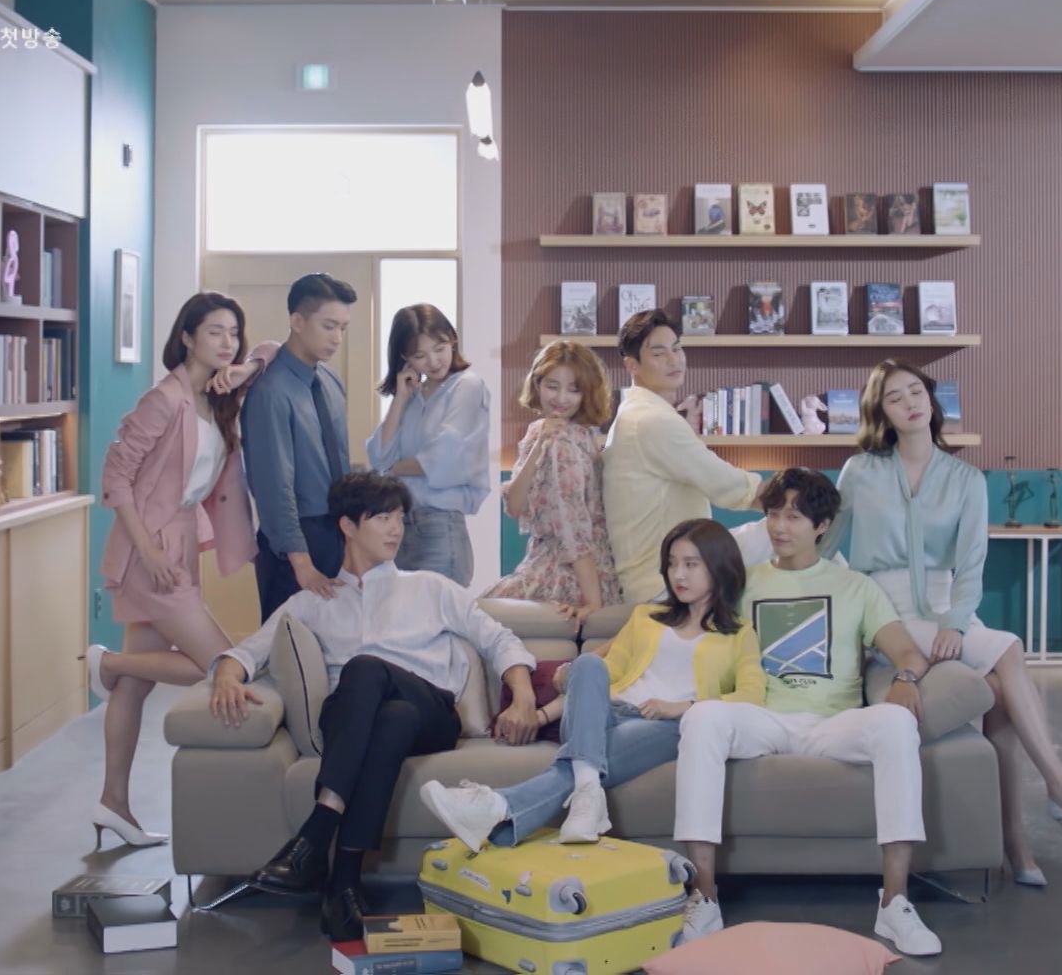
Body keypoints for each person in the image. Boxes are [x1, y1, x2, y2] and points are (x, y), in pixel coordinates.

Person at [824, 359, 1062, 888]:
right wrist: (833, 606)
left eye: (916, 391)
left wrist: (956, 624)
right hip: (886, 613)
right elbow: (826, 543)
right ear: (881, 412)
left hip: (948, 610)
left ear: (931, 399)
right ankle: (1060, 787)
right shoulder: (860, 472)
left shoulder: (965, 479)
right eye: (895, 397)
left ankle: (1015, 842)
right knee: (1009, 649)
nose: (910, 403)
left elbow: (971, 564)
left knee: (999, 697)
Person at [207, 472, 542, 943]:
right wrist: (226, 675)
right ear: (347, 525)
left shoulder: (430, 587)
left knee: (367, 669)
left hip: (431, 713)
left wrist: (523, 696)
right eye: (382, 518)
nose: (396, 529)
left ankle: (315, 835)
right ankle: (343, 886)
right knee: (390, 717)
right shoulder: (312, 602)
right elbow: (248, 652)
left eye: (400, 518)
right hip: (361, 722)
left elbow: (499, 639)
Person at [673, 468, 943, 955]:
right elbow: (673, 623)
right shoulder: (742, 584)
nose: (779, 527)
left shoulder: (856, 587)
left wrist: (904, 680)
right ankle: (704, 896)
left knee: (897, 722)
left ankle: (895, 903)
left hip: (834, 723)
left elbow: (907, 653)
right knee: (702, 717)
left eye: (794, 517)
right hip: (762, 717)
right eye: (774, 514)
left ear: (822, 525)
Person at [419, 519, 761, 852]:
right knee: (587, 664)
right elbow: (607, 672)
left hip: (668, 725)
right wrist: (545, 711)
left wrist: (681, 708)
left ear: (718, 566)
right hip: (602, 715)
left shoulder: (738, 633)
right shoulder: (646, 617)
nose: (678, 575)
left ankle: (498, 808)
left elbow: (752, 696)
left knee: (591, 749)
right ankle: (586, 793)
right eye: (672, 564)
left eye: (690, 564)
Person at [85, 292, 276, 848]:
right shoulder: (164, 399)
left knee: (136, 685)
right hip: (152, 552)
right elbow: (115, 476)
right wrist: (146, 550)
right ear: (187, 337)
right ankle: (107, 661)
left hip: (180, 543)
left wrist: (243, 368)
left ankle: (112, 804)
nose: (227, 342)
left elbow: (272, 349)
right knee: (222, 664)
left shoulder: (218, 396)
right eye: (214, 332)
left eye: (233, 332)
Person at [602, 309, 762, 602]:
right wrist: (798, 502)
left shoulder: (638, 412)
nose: (674, 360)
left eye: (677, 348)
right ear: (632, 365)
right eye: (659, 353)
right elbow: (730, 486)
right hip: (662, 583)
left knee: (793, 531)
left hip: (667, 573)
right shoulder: (651, 420)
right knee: (792, 529)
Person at [242, 272, 357, 620]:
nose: (337, 338)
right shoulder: (270, 391)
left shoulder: (330, 381)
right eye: (328, 326)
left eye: (343, 328)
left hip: (336, 532)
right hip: (295, 542)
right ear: (297, 321)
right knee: (289, 644)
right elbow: (273, 486)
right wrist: (301, 562)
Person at [484, 340, 623, 621]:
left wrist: (593, 603)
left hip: (570, 573)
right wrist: (539, 446)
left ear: (587, 393)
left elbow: (575, 528)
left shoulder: (568, 440)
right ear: (537, 384)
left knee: (475, 615)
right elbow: (514, 506)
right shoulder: (540, 431)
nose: (561, 398)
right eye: (552, 386)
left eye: (574, 389)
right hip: (544, 562)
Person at [365, 304, 490, 586]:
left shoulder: (467, 386)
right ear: (405, 358)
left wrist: (393, 468)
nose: (433, 361)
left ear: (452, 339)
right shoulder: (413, 395)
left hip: (440, 528)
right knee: (400, 613)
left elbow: (445, 458)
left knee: (438, 612)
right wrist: (400, 398)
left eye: (440, 348)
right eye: (420, 356)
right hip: (399, 528)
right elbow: (378, 456)